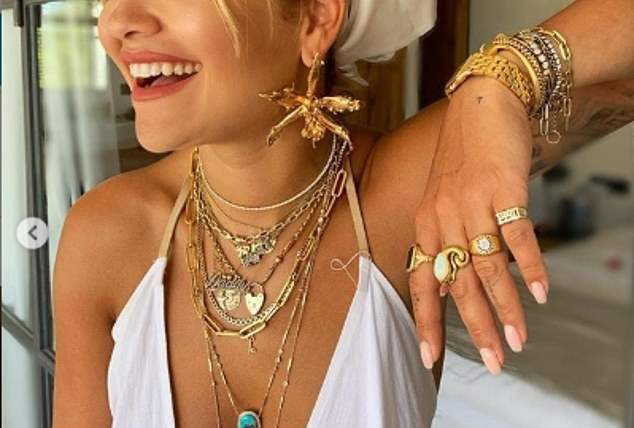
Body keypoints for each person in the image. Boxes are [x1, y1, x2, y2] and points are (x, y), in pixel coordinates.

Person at [51, 0, 634, 427]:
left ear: (315, 19)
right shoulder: (104, 235)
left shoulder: (403, 195)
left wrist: (503, 78)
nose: (116, 22)